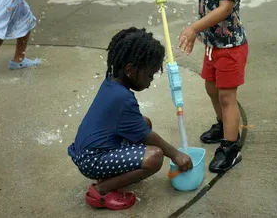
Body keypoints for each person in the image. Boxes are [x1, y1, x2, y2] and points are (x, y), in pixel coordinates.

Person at [146, 0, 250, 173]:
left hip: (230, 49)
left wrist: (194, 28)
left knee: (227, 97)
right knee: (212, 89)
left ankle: (230, 146)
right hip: (213, 47)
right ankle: (222, 124)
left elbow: (225, 10)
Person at [67, 27, 193, 210]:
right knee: (154, 157)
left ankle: (110, 175)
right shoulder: (123, 98)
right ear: (130, 70)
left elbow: (142, 129)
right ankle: (101, 190)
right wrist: (176, 154)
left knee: (144, 122)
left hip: (90, 151)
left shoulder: (112, 82)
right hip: (91, 160)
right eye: (149, 75)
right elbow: (148, 137)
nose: (150, 82)